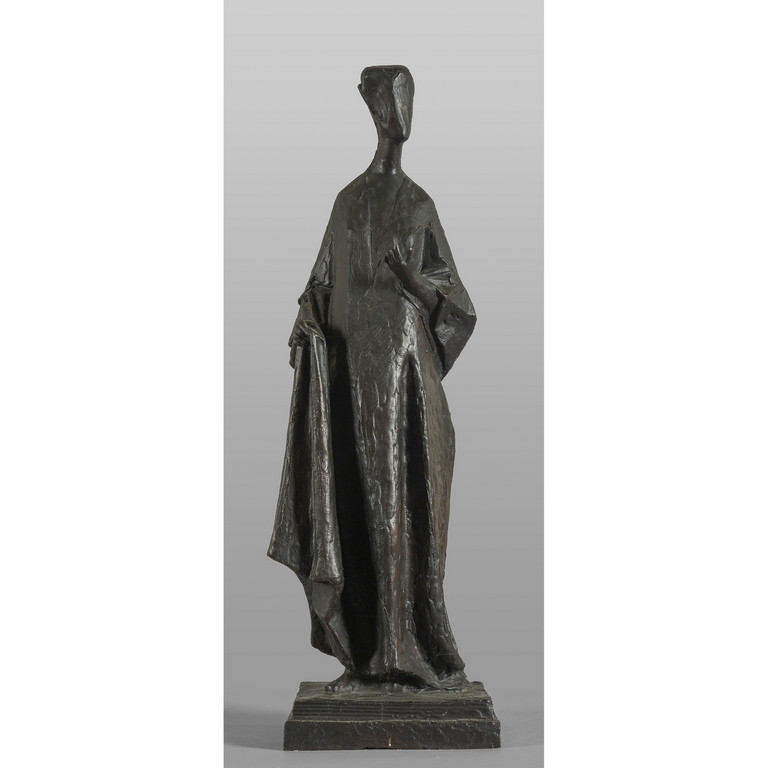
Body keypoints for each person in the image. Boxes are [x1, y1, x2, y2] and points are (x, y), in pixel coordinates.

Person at [268, 65, 476, 692]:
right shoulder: (348, 203)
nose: (400, 114)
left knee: (411, 505)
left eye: (407, 100)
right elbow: (319, 286)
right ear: (375, 109)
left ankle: (409, 648)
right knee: (360, 502)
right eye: (391, 101)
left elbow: (457, 307)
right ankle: (371, 655)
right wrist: (307, 322)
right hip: (357, 372)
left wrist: (415, 283)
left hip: (409, 378)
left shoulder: (417, 205)